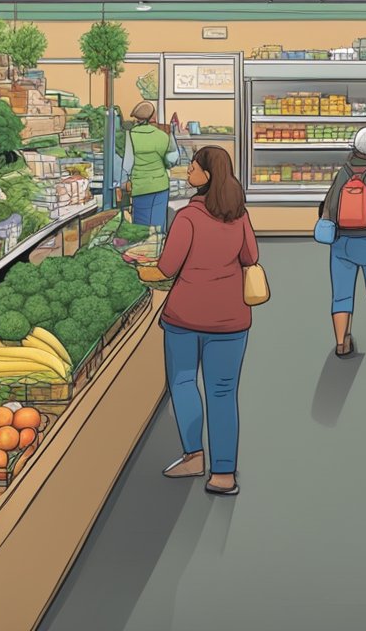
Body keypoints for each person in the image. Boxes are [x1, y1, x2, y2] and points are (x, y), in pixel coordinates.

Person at [137, 146, 257, 496]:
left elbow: (166, 268)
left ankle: (193, 457)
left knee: (184, 383)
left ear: (207, 175)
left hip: (186, 317)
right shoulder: (239, 214)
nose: (188, 171)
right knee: (223, 393)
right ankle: (224, 474)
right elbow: (251, 256)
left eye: (192, 167)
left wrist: (137, 268)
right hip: (232, 319)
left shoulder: (189, 217)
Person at [321, 127, 366, 356]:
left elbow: (330, 206)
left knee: (342, 292)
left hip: (343, 242)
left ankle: (342, 342)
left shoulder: (343, 171)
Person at [121, 101, 179, 229]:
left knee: (141, 228)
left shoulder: (129, 136)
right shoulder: (162, 136)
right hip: (160, 187)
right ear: (153, 117)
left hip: (139, 187)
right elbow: (172, 161)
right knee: (158, 226)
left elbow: (126, 163)